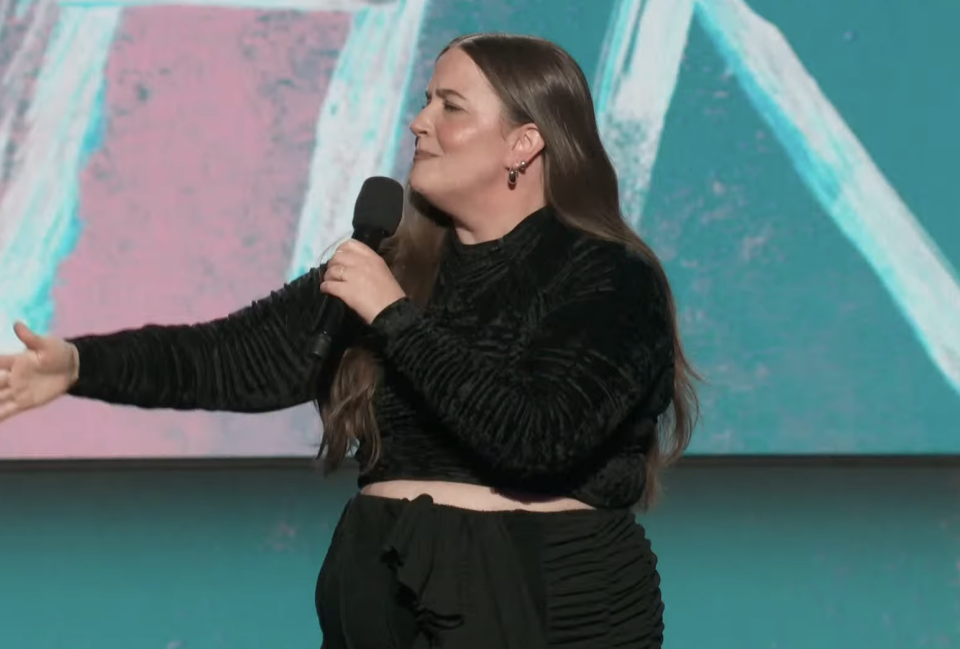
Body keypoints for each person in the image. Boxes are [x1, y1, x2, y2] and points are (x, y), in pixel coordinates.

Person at [0, 33, 698, 649]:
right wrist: (81, 363)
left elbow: (540, 435)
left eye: (450, 105)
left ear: (524, 140)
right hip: (382, 579)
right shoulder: (391, 261)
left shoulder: (608, 274)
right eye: (426, 101)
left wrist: (394, 316)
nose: (419, 122)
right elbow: (231, 357)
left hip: (541, 591)